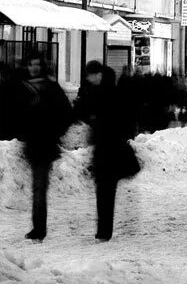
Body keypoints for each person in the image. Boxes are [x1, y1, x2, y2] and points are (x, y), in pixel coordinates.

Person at [76, 61, 138, 241]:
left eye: (89, 75)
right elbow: (82, 112)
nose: (87, 78)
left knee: (106, 189)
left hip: (113, 147)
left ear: (98, 74)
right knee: (103, 189)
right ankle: (103, 230)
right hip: (102, 146)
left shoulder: (113, 91)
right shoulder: (92, 90)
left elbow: (125, 117)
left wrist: (101, 120)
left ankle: (104, 231)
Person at [17, 54, 73, 241]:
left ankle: (39, 229)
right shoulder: (23, 86)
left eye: (36, 64)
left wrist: (54, 132)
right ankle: (38, 227)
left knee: (39, 189)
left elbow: (66, 114)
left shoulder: (51, 87)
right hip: (33, 145)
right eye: (30, 64)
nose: (33, 68)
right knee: (37, 188)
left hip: (45, 145)